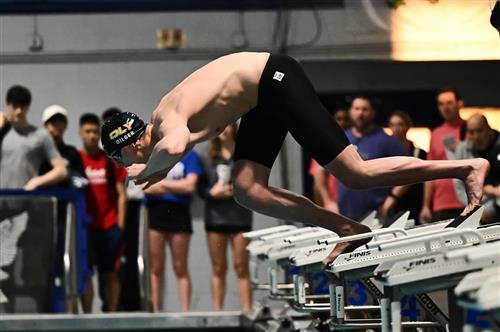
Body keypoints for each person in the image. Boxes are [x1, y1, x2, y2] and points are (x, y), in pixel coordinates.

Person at [100, 52, 488, 265]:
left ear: (132, 145)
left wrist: (143, 173)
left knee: (355, 173)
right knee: (247, 189)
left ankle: (466, 166)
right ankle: (347, 229)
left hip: (275, 79)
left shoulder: (167, 122)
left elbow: (171, 146)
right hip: (260, 98)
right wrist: (155, 168)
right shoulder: (163, 123)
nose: (124, 167)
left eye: (120, 160)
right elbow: (176, 146)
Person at [199, 123, 253, 312]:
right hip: (215, 217)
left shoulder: (244, 154)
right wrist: (212, 192)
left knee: (241, 267)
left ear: (234, 128)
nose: (223, 130)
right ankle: (217, 312)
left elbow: (253, 182)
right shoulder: (207, 156)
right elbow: (200, 188)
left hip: (240, 216)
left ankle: (246, 309)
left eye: (227, 126)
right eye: (219, 126)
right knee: (219, 268)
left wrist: (235, 190)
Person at [39, 105, 87, 312]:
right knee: (41, 261)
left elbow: (81, 181)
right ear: (44, 126)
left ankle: (67, 309)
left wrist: (65, 176)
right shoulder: (37, 152)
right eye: (51, 123)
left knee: (65, 261)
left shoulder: (71, 153)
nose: (55, 128)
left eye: (59, 123)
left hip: (65, 218)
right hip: (39, 217)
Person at [143, 150, 202, 312]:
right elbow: (145, 186)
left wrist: (160, 185)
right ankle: (155, 310)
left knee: (180, 266)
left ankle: (185, 311)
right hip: (155, 213)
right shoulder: (153, 153)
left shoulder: (190, 155)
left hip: (179, 214)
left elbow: (190, 185)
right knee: (156, 267)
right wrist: (176, 187)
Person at [79, 113, 127, 313]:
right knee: (86, 273)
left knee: (110, 273)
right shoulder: (77, 160)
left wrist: (120, 226)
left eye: (95, 132)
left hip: (109, 227)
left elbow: (121, 194)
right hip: (86, 228)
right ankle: (88, 316)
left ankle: (112, 314)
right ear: (80, 133)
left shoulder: (109, 159)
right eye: (88, 131)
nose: (91, 136)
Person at [335, 97, 406, 222]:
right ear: (350, 111)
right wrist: (328, 201)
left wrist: (392, 198)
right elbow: (320, 171)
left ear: (372, 113)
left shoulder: (387, 141)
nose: (360, 113)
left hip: (377, 214)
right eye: (357, 109)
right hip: (344, 213)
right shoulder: (340, 137)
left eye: (365, 109)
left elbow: (407, 169)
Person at [102, 107, 142, 311]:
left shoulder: (141, 145)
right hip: (109, 218)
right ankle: (111, 306)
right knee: (111, 265)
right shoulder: (111, 159)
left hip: (131, 211)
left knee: (130, 259)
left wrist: (121, 225)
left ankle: (133, 303)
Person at [0, 85, 67, 190]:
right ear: (7, 105)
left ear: (28, 107)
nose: (19, 111)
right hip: (3, 200)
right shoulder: (3, 132)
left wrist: (38, 181)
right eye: (15, 106)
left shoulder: (41, 135)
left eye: (22, 107)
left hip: (26, 200)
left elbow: (61, 170)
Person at [419, 88, 466, 223]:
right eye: (441, 104)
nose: (445, 107)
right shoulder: (436, 134)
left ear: (459, 104)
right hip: (441, 203)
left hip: (468, 199)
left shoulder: (472, 130)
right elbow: (429, 173)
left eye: (449, 103)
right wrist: (426, 205)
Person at [453, 114, 500, 223]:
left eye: (479, 131)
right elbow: (459, 185)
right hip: (476, 207)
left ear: (488, 128)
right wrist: (475, 209)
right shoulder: (463, 150)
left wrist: (491, 209)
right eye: (471, 132)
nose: (476, 136)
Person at [386, 111, 427, 222]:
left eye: (400, 124)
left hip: (415, 202)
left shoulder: (419, 153)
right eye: (392, 125)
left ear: (407, 126)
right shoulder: (385, 154)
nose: (396, 128)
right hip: (393, 205)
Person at [309, 108, 350, 212]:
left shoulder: (353, 142)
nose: (342, 122)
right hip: (332, 202)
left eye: (345, 119)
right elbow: (318, 176)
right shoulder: (325, 142)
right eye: (339, 119)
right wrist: (326, 202)